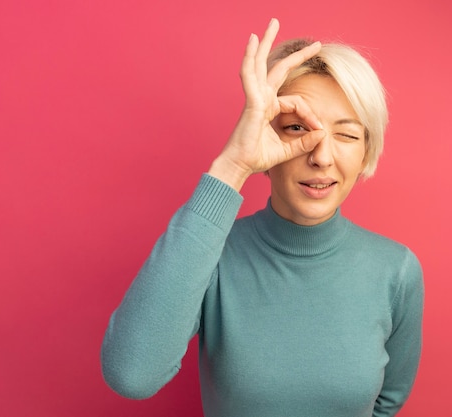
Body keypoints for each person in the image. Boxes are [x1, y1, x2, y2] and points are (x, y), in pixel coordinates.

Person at [101, 18, 424, 417]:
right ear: (264, 139)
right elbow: (131, 374)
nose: (321, 157)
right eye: (296, 128)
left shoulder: (397, 270)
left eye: (346, 134)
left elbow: (387, 402)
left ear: (364, 153)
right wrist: (233, 166)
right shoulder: (212, 257)